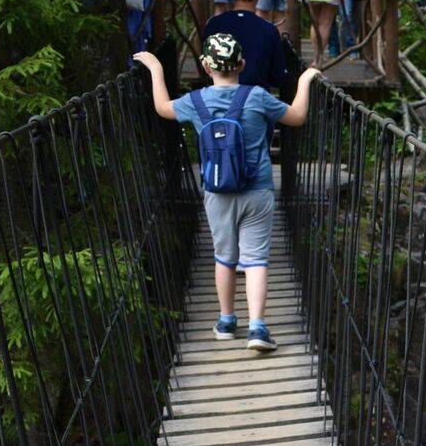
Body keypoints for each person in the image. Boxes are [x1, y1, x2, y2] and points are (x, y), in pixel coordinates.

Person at [134, 35, 318, 352]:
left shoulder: (195, 101)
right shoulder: (258, 97)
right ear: (242, 65)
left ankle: (226, 322)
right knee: (256, 260)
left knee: (225, 258)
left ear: (206, 67)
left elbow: (163, 108)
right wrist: (304, 79)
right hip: (257, 191)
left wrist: (155, 69)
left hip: (216, 192)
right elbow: (297, 116)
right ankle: (257, 328)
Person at [204, 0, 291, 90]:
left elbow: (206, 66)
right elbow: (279, 76)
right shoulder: (268, 30)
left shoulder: (214, 24)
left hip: (218, 94)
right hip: (256, 96)